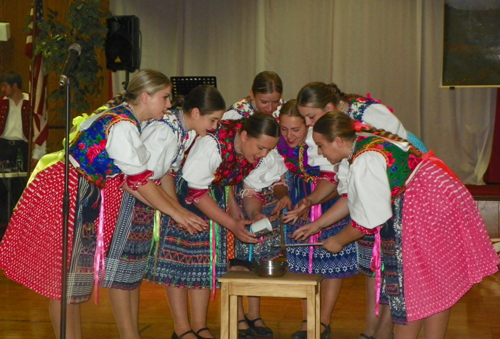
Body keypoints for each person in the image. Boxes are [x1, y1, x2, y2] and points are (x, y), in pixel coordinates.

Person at [0, 69, 206, 339]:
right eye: (165, 97)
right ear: (146, 97)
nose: (169, 104)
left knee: (73, 285)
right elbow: (140, 182)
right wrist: (177, 214)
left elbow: (133, 182)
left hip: (85, 193)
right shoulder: (121, 126)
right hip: (69, 191)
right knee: (65, 284)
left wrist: (176, 212)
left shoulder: (127, 121)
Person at [293, 111, 499, 339]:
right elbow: (352, 199)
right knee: (430, 285)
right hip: (435, 200)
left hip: (428, 207)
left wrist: (338, 241)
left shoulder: (365, 160)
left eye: (321, 146)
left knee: (412, 287)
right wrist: (317, 226)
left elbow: (370, 220)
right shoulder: (359, 147)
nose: (320, 152)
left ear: (338, 141)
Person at [288, 81, 427, 339]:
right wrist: (318, 225)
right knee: (376, 268)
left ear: (330, 108)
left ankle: (381, 333)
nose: (308, 124)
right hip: (387, 198)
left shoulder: (368, 128)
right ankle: (372, 332)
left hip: (409, 198)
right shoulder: (347, 143)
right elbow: (350, 191)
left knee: (395, 275)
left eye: (310, 116)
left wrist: (338, 239)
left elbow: (372, 208)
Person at [144, 113, 286, 339]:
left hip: (213, 199)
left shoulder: (259, 154)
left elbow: (251, 189)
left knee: (205, 261)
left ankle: (200, 326)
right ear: (244, 135)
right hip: (181, 198)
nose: (263, 154)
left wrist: (255, 212)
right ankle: (182, 329)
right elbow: (196, 191)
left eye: (268, 150)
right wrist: (231, 224)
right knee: (177, 263)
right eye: (260, 148)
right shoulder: (212, 144)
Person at [100, 85, 226, 339]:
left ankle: (131, 333)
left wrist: (176, 210)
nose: (214, 127)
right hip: (129, 200)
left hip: (144, 201)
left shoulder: (183, 131)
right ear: (195, 112)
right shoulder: (164, 131)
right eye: (212, 120)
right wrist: (175, 212)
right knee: (121, 271)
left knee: (132, 272)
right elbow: (134, 181)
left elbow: (166, 173)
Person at [276, 100, 358, 339]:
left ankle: (323, 321)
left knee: (330, 262)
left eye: (296, 130)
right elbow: (277, 176)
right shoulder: (280, 144)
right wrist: (286, 195)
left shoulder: (320, 142)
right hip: (300, 195)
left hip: (329, 199)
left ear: (308, 126)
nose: (289, 135)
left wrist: (312, 201)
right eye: (283, 129)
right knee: (302, 259)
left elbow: (336, 182)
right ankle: (307, 319)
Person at [221, 71, 285, 338]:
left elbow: (280, 161)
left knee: (261, 255)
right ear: (252, 94)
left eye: (274, 102)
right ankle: (237, 318)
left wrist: (279, 189)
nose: (270, 108)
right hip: (236, 190)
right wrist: (233, 203)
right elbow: (224, 167)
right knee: (237, 257)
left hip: (266, 192)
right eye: (264, 102)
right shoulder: (234, 117)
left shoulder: (281, 116)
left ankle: (255, 314)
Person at [0, 72, 45, 221]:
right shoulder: (2, 103)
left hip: (21, 148)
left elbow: (39, 129)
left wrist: (37, 153)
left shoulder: (31, 103)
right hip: (3, 147)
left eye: (5, 86)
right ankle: (3, 221)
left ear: (15, 86)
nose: (2, 89)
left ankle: (18, 220)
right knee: (1, 186)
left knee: (19, 187)